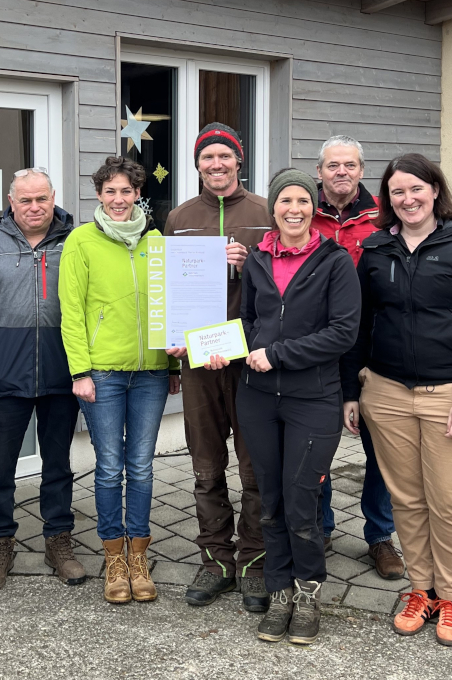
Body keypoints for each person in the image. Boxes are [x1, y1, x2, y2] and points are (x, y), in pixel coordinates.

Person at [342, 153, 452, 647]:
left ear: (435, 190)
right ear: (387, 199)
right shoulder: (375, 251)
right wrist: (352, 392)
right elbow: (360, 328)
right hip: (387, 396)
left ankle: (451, 598)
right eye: (397, 192)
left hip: (449, 397)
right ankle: (421, 590)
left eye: (416, 189)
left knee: (451, 503)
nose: (408, 199)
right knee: (408, 502)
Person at [206, 169, 360, 644]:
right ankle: (278, 592)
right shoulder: (258, 259)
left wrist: (276, 354)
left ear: (313, 206)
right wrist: (226, 348)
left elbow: (342, 332)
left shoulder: (334, 261)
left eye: (302, 200)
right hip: (257, 398)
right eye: (284, 201)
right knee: (268, 499)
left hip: (312, 398)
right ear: (272, 208)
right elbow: (249, 319)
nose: (293, 208)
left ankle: (307, 592)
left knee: (300, 501)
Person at [59, 156, 181, 604]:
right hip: (103, 374)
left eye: (126, 191)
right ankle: (113, 557)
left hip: (150, 371)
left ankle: (139, 555)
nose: (118, 199)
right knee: (110, 468)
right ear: (99, 194)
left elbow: (169, 307)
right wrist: (80, 371)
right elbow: (70, 313)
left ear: (138, 194)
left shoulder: (156, 242)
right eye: (110, 191)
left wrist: (170, 368)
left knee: (143, 467)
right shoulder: (81, 241)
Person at [163, 122, 270, 612]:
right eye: (208, 158)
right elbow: (169, 292)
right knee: (206, 467)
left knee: (255, 470)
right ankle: (215, 561)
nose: (217, 165)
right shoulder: (180, 217)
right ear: (198, 164)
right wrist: (172, 343)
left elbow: (287, 283)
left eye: (225, 156)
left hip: (252, 362)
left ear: (238, 160)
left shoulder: (267, 213)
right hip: (199, 364)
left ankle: (253, 562)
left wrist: (251, 263)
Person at [0, 168, 85, 592]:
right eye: (25, 201)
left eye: (42, 199)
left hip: (61, 375)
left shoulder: (77, 242)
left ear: (54, 197)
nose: (35, 208)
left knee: (58, 465)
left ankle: (59, 541)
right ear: (11, 202)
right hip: (3, 379)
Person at [312, 136, 403, 580]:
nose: (341, 172)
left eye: (349, 165)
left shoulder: (385, 221)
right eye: (333, 165)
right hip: (318, 352)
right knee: (316, 448)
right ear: (320, 172)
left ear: (362, 171)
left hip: (373, 351)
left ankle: (380, 536)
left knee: (380, 452)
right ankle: (321, 527)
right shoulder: (303, 215)